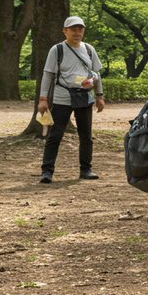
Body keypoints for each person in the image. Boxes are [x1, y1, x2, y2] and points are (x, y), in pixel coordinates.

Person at [38, 16, 105, 183]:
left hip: (84, 96)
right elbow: (48, 75)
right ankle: (47, 171)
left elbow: (97, 74)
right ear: (65, 31)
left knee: (86, 136)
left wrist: (99, 95)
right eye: (73, 29)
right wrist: (43, 99)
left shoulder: (89, 49)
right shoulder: (57, 50)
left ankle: (86, 169)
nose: (77, 32)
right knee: (55, 135)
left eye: (80, 29)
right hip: (62, 97)